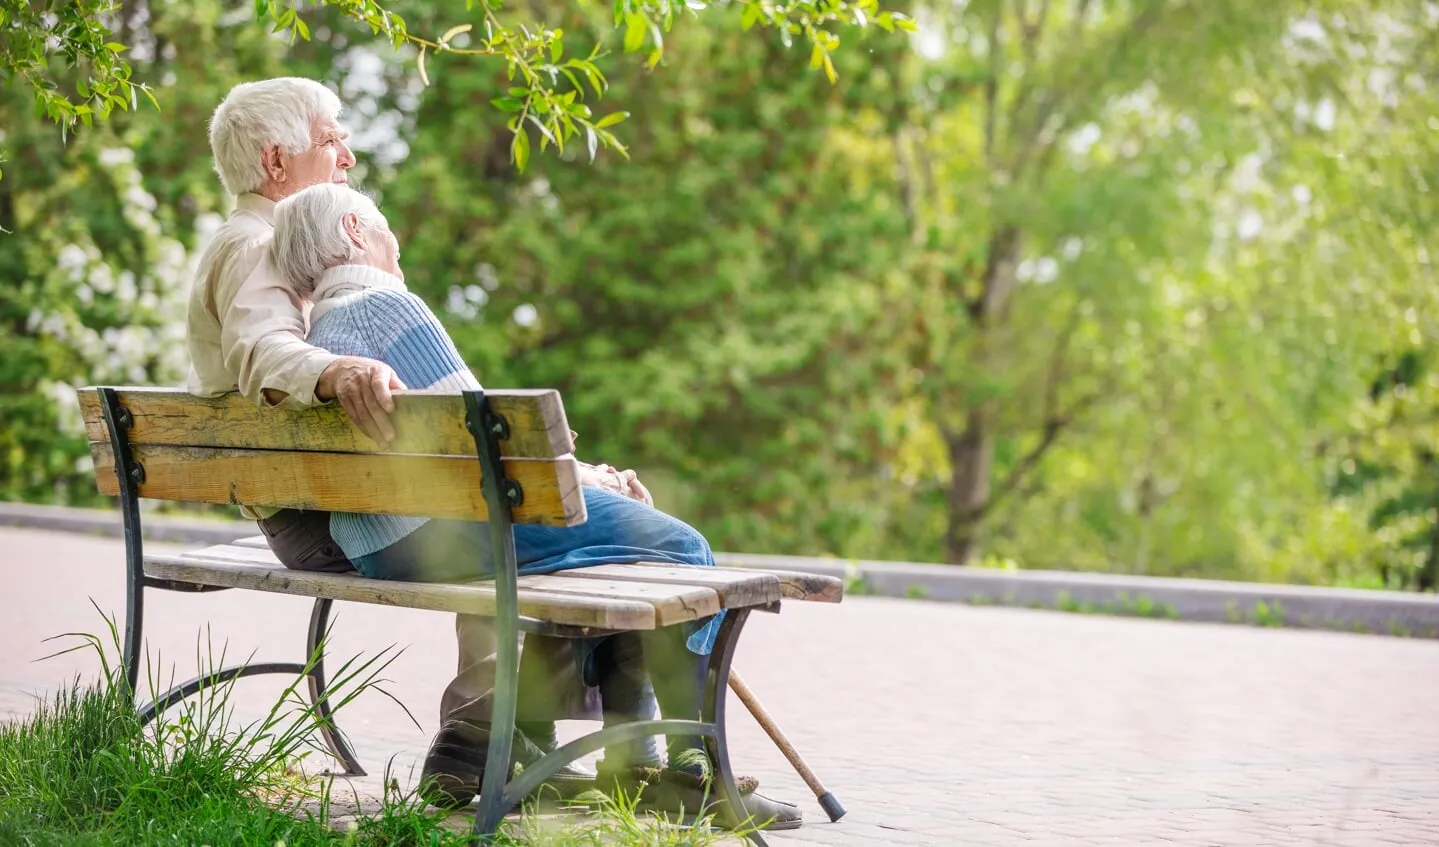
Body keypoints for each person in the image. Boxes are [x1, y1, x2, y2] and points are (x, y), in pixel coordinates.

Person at [267, 182, 802, 830]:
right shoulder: (387, 308)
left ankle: (637, 759)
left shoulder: (319, 334)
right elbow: (490, 446)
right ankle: (692, 772)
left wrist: (582, 478)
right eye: (385, 227)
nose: (394, 240)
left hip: (377, 546)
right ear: (355, 229)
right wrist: (597, 481)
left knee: (618, 560)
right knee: (682, 550)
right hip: (443, 530)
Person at [186, 77, 597, 806]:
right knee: (518, 517)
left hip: (319, 499)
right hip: (322, 516)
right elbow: (260, 350)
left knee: (489, 505)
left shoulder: (261, 242)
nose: (346, 154)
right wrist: (337, 367)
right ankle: (485, 737)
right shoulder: (257, 246)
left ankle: (503, 739)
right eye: (330, 138)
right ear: (277, 163)